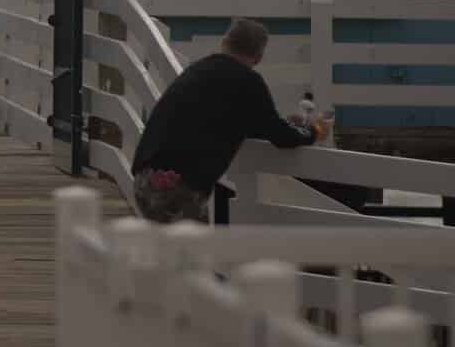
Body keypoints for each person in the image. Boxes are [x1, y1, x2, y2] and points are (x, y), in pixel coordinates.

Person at [130, 18, 322, 223]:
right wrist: (315, 132)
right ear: (258, 57)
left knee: (174, 250)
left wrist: (280, 123)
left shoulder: (198, 69)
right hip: (178, 188)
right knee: (194, 253)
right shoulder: (249, 82)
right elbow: (281, 136)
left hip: (145, 181)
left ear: (225, 43)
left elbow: (233, 120)